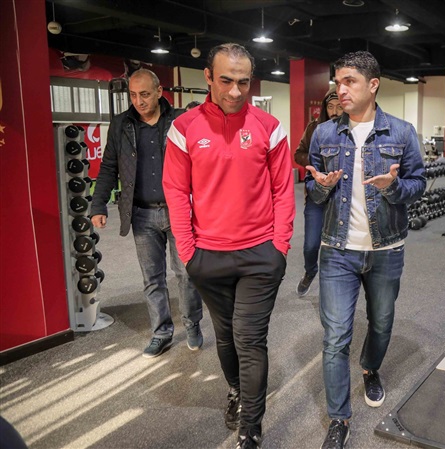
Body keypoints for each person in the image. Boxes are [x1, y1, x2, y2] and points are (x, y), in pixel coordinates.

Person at [163, 43, 295, 449]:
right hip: (207, 256)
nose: (236, 91)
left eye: (244, 82)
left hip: (260, 255)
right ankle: (236, 389)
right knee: (225, 335)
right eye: (226, 81)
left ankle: (251, 429)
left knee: (249, 338)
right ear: (208, 77)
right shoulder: (184, 128)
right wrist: (188, 253)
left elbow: (284, 190)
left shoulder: (269, 127)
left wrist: (279, 246)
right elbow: (175, 190)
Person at [305, 51, 426, 449]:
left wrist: (393, 187)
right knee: (335, 336)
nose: (340, 89)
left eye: (350, 81)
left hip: (386, 248)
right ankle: (339, 419)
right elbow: (313, 190)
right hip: (337, 249)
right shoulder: (324, 133)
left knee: (381, 322)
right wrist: (320, 186)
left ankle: (370, 368)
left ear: (373, 85)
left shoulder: (401, 132)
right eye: (337, 82)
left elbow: (418, 185)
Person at [90, 68, 204, 359]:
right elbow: (109, 167)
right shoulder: (121, 124)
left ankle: (192, 325)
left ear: (159, 92)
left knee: (186, 274)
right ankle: (161, 333)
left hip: (179, 211)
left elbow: (202, 162)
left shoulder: (179, 120)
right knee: (152, 278)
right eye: (133, 95)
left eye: (144, 94)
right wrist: (98, 204)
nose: (138, 101)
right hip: (141, 213)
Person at [294, 87, 343, 297]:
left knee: (336, 246)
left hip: (340, 195)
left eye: (339, 107)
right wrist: (318, 162)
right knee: (311, 245)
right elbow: (298, 154)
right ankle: (310, 271)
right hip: (316, 193)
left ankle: (335, 286)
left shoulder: (351, 130)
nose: (335, 111)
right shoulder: (315, 128)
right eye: (330, 107)